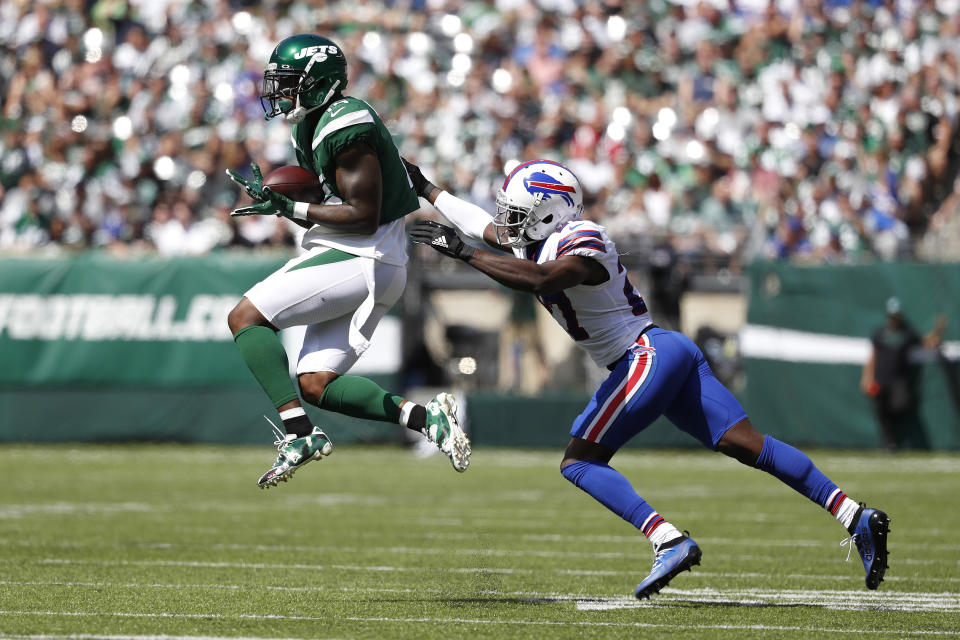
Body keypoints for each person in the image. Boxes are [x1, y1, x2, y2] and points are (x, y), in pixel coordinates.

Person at [403, 158, 890, 597]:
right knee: (748, 444)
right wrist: (426, 187)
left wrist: (464, 255)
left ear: (549, 210)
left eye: (516, 210)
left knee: (579, 462)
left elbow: (543, 279)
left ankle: (667, 539)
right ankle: (853, 514)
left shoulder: (581, 238)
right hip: (665, 352)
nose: (506, 220)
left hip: (644, 356)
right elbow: (482, 226)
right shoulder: (540, 239)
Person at [224, 34, 470, 488]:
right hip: (374, 256)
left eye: (287, 82)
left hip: (363, 252)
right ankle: (425, 418)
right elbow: (335, 204)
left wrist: (289, 208)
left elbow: (361, 214)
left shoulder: (344, 120)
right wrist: (292, 202)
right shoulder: (314, 124)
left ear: (316, 83)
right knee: (317, 383)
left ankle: (299, 435)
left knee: (246, 317)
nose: (277, 92)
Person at [861, 297, 946, 451]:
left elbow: (927, 342)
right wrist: (867, 377)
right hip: (880, 378)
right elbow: (872, 356)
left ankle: (894, 437)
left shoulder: (908, 333)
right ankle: (889, 444)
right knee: (880, 411)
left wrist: (938, 330)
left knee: (900, 405)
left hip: (898, 380)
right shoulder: (879, 333)